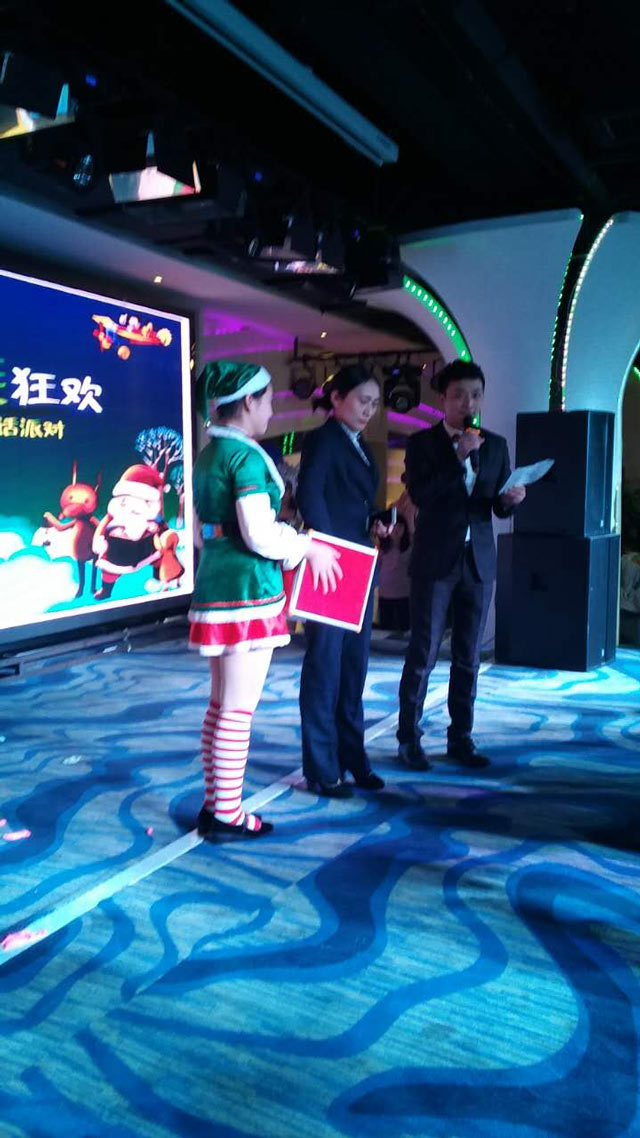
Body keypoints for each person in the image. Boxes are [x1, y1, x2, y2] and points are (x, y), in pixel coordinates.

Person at [189, 360, 340, 840]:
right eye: (269, 400)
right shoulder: (245, 458)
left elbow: (197, 533)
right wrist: (305, 546)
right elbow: (257, 532)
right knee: (237, 709)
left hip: (217, 585)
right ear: (249, 401)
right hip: (248, 591)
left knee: (221, 705)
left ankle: (216, 804)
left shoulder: (209, 455)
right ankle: (227, 814)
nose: (272, 411)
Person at [397, 359, 526, 770]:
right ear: (443, 399)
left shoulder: (496, 445)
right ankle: (408, 739)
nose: (468, 403)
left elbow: (494, 506)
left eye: (475, 395)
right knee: (423, 653)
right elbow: (422, 495)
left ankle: (461, 738)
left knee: (468, 656)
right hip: (435, 560)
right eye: (459, 396)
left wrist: (510, 501)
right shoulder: (422, 444)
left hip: (478, 561)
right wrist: (458, 457)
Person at [296, 364, 391, 798]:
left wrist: (376, 520)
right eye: (362, 401)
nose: (369, 410)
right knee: (325, 667)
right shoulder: (323, 439)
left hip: (357, 562)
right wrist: (324, 545)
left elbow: (354, 503)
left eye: (374, 403)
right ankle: (321, 767)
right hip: (330, 564)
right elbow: (310, 496)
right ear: (336, 399)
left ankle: (352, 756)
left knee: (353, 666)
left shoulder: (362, 446)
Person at [377, 512, 411, 632]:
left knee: (404, 626)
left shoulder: (409, 548)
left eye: (400, 526)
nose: (397, 530)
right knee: (385, 627)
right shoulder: (382, 549)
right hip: (385, 593)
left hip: (404, 593)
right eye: (394, 526)